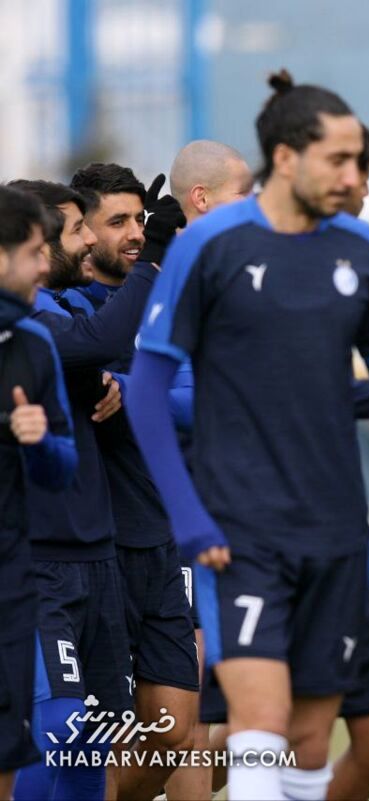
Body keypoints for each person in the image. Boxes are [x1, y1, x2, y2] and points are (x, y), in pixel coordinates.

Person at [127, 70, 369, 801]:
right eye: (339, 160)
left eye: (358, 162)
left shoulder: (360, 250)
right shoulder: (209, 245)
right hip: (241, 532)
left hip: (338, 534)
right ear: (286, 158)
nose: (354, 177)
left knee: (308, 746)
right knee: (259, 729)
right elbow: (149, 392)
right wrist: (190, 518)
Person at [10, 176, 153, 801]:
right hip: (36, 564)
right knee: (60, 728)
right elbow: (104, 343)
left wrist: (47, 437)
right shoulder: (38, 329)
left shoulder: (59, 324)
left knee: (95, 743)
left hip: (97, 555)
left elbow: (65, 455)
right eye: (76, 231)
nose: (90, 240)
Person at [68, 163, 199, 798]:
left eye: (140, 220)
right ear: (82, 233)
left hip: (161, 540)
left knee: (176, 733)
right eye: (117, 221)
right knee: (94, 744)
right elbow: (87, 366)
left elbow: (200, 399)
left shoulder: (161, 304)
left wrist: (132, 390)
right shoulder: (71, 312)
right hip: (97, 550)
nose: (135, 234)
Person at [0, 185, 78, 801]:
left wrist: (38, 442)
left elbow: (62, 468)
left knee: (9, 748)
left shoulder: (35, 342)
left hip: (10, 579)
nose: (45, 266)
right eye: (32, 253)